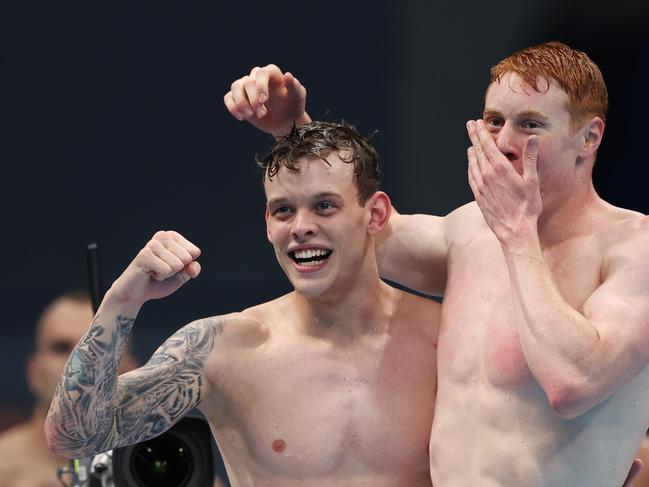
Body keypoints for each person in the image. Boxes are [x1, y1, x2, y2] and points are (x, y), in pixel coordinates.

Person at [224, 41, 649, 486]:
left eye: (529, 124)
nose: (503, 143)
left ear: (589, 137)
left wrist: (518, 234)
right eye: (493, 122)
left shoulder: (632, 247)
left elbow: (573, 384)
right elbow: (357, 230)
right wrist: (294, 131)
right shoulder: (468, 233)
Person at [45, 122, 440, 486]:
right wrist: (122, 299)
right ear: (269, 223)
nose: (301, 227)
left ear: (376, 214)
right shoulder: (224, 348)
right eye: (284, 210)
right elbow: (73, 435)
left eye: (324, 206)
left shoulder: (443, 338)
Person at [0, 291, 138, 487]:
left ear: (130, 372)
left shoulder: (159, 468)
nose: (78, 362)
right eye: (61, 347)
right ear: (34, 373)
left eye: (98, 346)